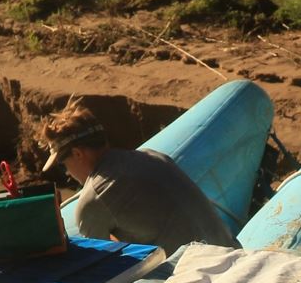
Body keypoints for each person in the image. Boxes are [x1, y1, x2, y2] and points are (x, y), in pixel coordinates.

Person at [40, 103, 240, 254]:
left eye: (62, 164)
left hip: (199, 282)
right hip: (232, 254)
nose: (66, 172)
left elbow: (103, 268)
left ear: (77, 154)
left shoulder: (94, 199)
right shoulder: (151, 156)